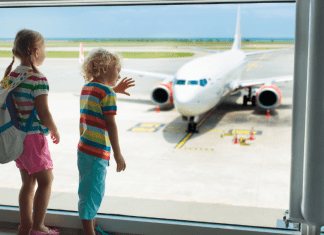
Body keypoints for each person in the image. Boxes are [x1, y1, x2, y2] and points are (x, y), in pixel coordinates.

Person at [2, 29, 60, 235]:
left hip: (18, 138)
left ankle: (24, 226)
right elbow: (43, 112)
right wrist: (54, 129)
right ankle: (38, 227)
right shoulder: (38, 79)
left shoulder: (11, 76)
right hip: (34, 138)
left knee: (28, 183)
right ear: (35, 52)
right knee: (46, 181)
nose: (45, 52)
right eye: (44, 49)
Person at [78, 48, 133, 235]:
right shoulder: (107, 93)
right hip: (97, 151)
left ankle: (92, 228)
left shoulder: (87, 87)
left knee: (88, 190)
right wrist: (118, 154)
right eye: (116, 70)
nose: (119, 74)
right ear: (103, 70)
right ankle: (89, 232)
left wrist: (114, 90)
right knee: (92, 194)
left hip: (84, 149)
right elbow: (111, 125)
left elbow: (98, 97)